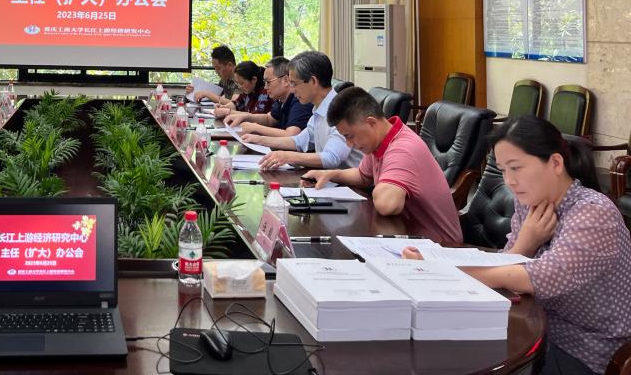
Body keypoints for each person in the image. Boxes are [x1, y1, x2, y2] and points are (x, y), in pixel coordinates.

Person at [404, 116, 631, 375]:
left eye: (516, 168)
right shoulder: (529, 202)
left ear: (556, 163)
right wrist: (526, 243)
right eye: (503, 170)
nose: (509, 181)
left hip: (586, 349)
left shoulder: (594, 212)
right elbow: (508, 262)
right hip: (536, 327)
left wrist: (442, 269)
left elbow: (540, 277)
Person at [304, 86, 462, 244]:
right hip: (407, 239)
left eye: (350, 136)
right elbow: (363, 176)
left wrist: (382, 185)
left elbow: (386, 204)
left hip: (440, 247)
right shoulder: (380, 140)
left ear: (371, 122)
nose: (349, 144)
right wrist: (330, 175)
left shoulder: (403, 149)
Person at [253, 51, 362, 170]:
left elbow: (331, 157)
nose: (292, 90)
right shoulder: (319, 108)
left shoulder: (342, 111)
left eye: (294, 84)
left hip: (350, 181)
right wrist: (259, 140)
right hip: (329, 177)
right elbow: (300, 141)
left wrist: (288, 157)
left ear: (313, 81)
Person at [221, 56, 311, 134]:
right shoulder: (281, 99)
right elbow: (269, 119)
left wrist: (255, 128)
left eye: (268, 82)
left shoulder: (299, 99)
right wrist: (244, 116)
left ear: (286, 80)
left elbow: (292, 135)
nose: (265, 87)